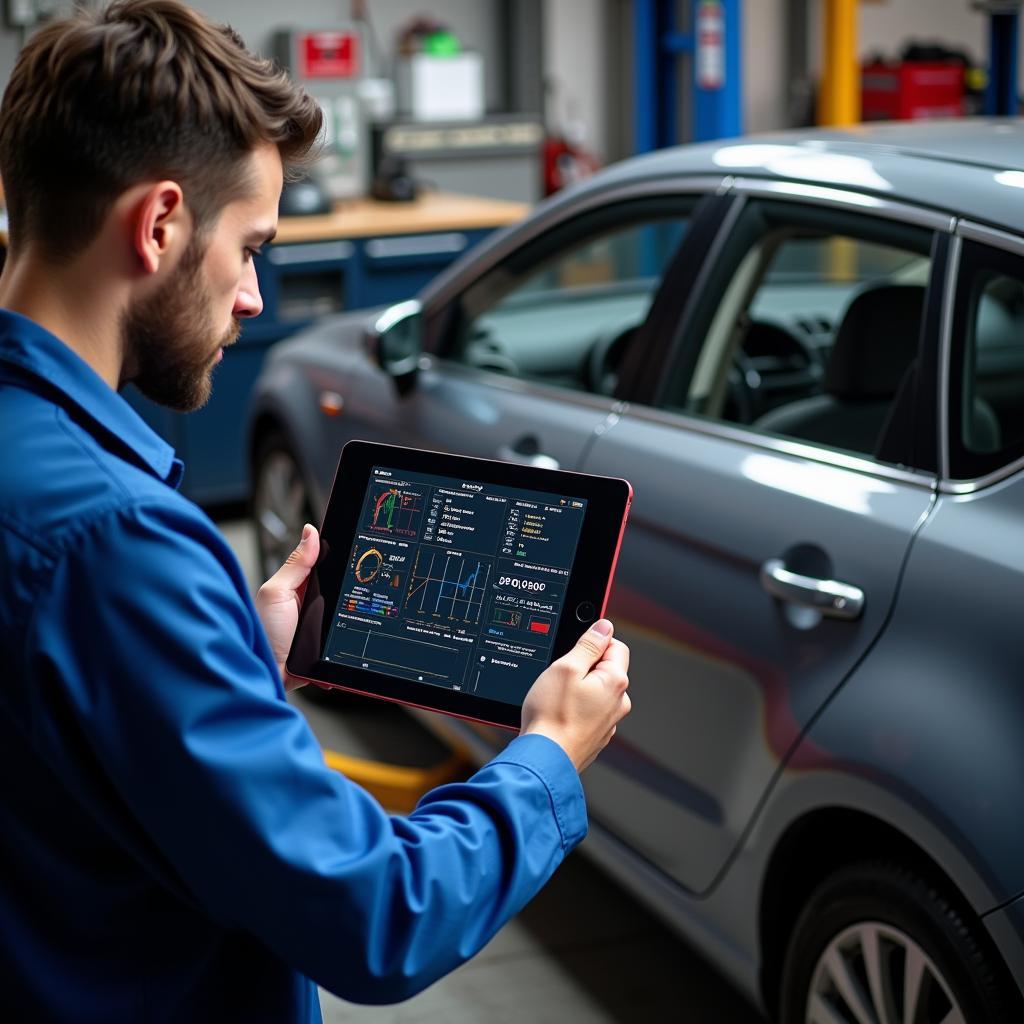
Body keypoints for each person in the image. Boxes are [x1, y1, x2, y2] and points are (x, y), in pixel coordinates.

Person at [0, 2, 631, 1020]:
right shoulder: (113, 539)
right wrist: (549, 753)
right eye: (248, 245)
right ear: (158, 225)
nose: (251, 295)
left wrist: (227, 653)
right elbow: (377, 911)